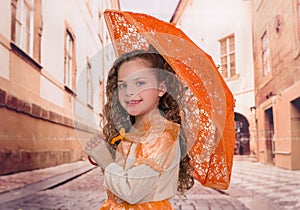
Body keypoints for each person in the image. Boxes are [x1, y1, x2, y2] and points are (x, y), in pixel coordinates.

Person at [85, 47, 194, 209]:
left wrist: (106, 160)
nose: (130, 92)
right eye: (123, 85)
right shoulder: (130, 133)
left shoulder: (162, 135)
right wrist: (105, 152)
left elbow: (132, 191)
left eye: (140, 83)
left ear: (162, 89)